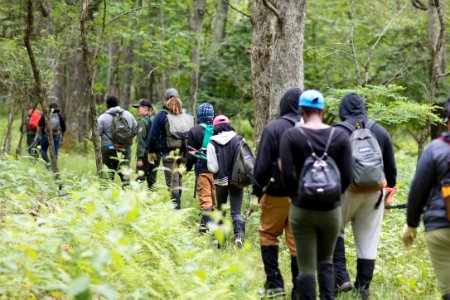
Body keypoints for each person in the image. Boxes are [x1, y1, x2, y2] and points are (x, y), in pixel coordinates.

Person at [279, 90, 352, 299]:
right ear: (323, 110)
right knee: (326, 261)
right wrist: (334, 195)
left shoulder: (291, 135)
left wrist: (296, 197)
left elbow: (286, 174)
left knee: (306, 267)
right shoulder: (339, 136)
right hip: (331, 211)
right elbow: (347, 175)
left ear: (301, 110)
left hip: (302, 209)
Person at [333, 92, 397, 299]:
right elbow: (391, 170)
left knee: (335, 229)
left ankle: (341, 278)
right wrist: (389, 191)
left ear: (343, 110)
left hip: (345, 191)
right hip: (374, 194)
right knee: (368, 239)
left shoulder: (337, 132)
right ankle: (363, 288)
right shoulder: (379, 130)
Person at [252, 87, 302, 299]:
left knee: (268, 234)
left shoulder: (273, 128)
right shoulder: (310, 127)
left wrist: (256, 191)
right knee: (297, 241)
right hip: (304, 196)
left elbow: (262, 166)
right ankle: (300, 290)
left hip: (277, 192)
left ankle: (274, 284)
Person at [402, 98, 450, 300]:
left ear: (447, 121)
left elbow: (417, 192)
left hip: (440, 227)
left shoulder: (435, 149)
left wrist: (411, 225)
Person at [147, 88, 193, 209]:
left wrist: (150, 151)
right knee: (179, 180)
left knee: (173, 184)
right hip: (183, 154)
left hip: (168, 154)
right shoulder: (185, 114)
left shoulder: (161, 116)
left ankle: (176, 212)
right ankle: (178, 209)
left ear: (165, 100)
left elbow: (152, 137)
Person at [207, 115, 245, 247]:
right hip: (237, 180)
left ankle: (218, 239)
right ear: (229, 124)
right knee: (236, 211)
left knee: (220, 209)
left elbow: (213, 167)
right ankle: (238, 237)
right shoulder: (238, 140)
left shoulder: (212, 143)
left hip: (220, 181)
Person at [186, 103, 216, 233]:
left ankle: (210, 234)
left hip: (202, 171)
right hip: (218, 172)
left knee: (205, 202)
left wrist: (187, 168)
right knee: (214, 202)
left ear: (199, 115)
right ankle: (204, 230)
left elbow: (191, 155)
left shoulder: (194, 131)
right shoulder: (218, 130)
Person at [98, 95, 137, 187]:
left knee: (109, 172)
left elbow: (96, 135)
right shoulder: (128, 114)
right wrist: (127, 139)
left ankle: (106, 193)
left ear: (107, 105)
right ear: (117, 103)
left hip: (108, 149)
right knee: (125, 174)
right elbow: (136, 129)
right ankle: (126, 193)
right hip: (125, 148)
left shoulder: (102, 118)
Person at [132, 98, 159, 190]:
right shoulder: (156, 119)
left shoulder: (143, 122)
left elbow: (141, 140)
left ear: (145, 108)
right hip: (156, 153)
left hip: (146, 154)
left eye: (139, 107)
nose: (137, 109)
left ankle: (136, 200)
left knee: (138, 179)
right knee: (152, 180)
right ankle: (152, 200)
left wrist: (139, 158)